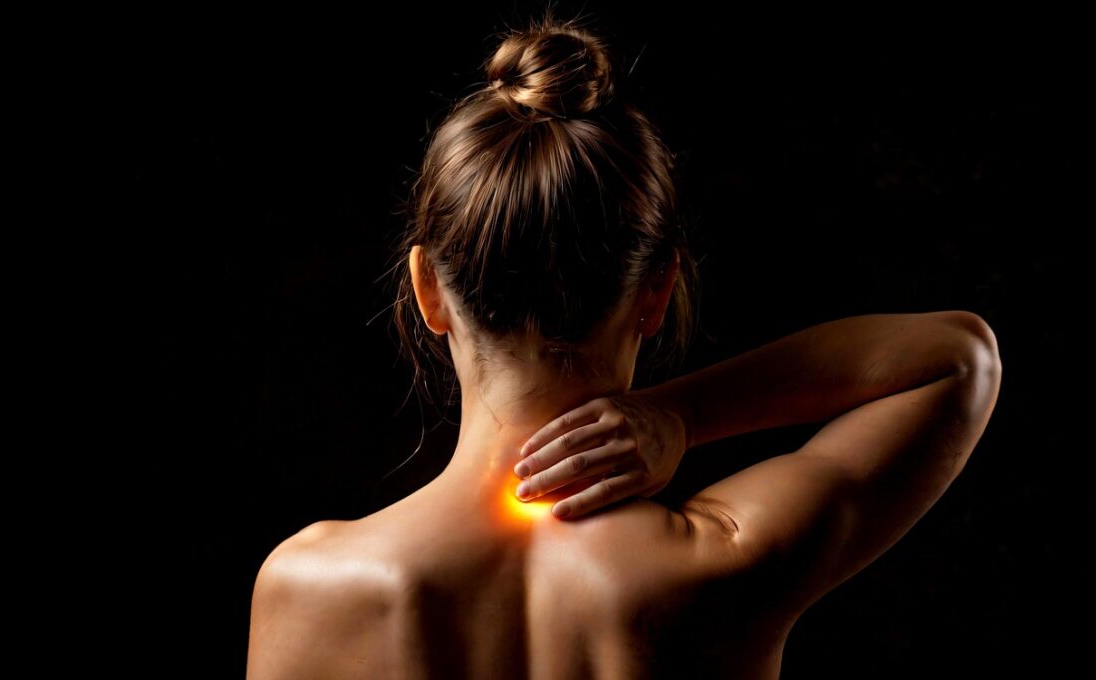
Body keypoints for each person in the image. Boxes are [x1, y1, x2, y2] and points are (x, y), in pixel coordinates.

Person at [246, 13, 1002, 680]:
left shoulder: (310, 584)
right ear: (657, 289)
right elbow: (960, 356)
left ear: (427, 290)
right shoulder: (724, 559)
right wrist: (681, 414)